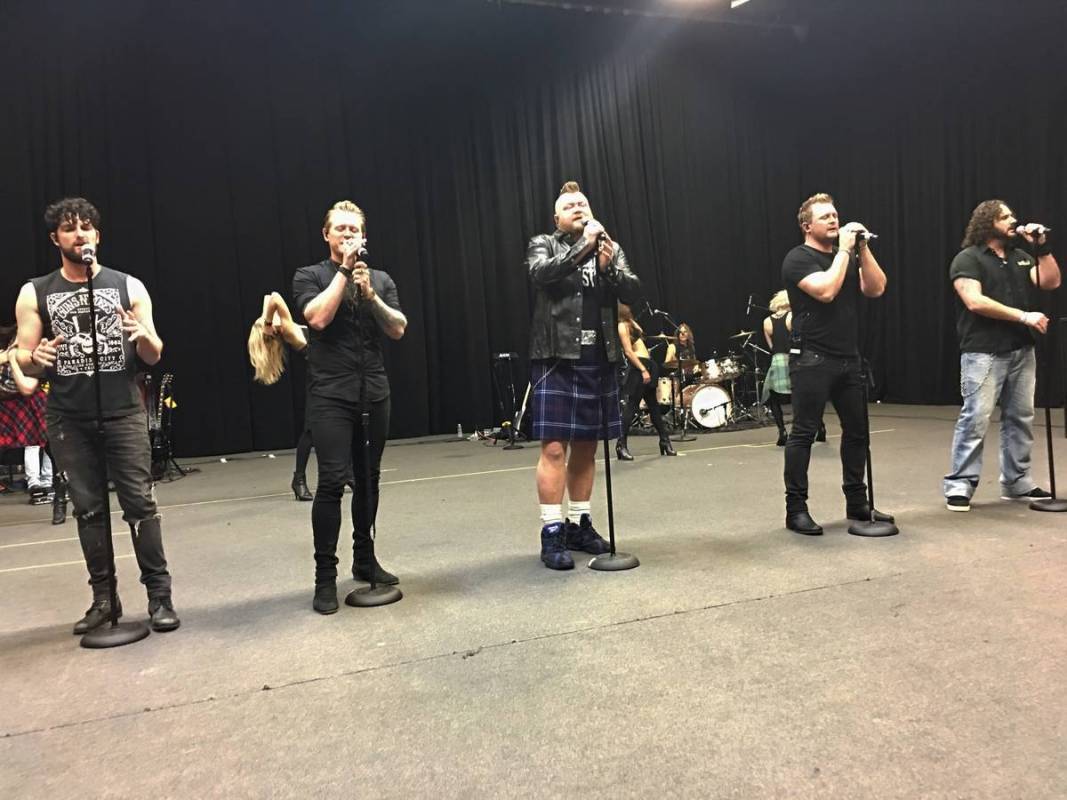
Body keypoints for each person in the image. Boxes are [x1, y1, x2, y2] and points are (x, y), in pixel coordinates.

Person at [13, 197, 179, 633]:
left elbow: (153, 353)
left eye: (86, 227)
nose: (80, 234)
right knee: (88, 510)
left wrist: (144, 336)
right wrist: (38, 357)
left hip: (123, 412)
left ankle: (160, 597)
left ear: (98, 235)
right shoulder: (36, 291)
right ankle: (104, 599)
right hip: (69, 416)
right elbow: (26, 359)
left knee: (140, 505)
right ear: (56, 239)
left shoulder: (129, 286)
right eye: (70, 229)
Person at [292, 200, 406, 614]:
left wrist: (372, 296)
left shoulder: (380, 279)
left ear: (364, 236)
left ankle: (364, 557)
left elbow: (397, 328)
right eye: (339, 229)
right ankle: (325, 576)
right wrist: (343, 271)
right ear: (326, 235)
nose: (346, 235)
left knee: (369, 479)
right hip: (330, 394)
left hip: (373, 391)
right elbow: (317, 319)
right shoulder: (310, 275)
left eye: (353, 230)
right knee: (331, 482)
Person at [526, 180, 641, 569]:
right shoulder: (544, 243)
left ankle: (579, 523)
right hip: (558, 357)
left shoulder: (611, 247)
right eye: (570, 205)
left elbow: (634, 290)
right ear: (557, 217)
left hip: (599, 356)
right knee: (555, 447)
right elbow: (542, 275)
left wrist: (608, 270)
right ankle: (552, 531)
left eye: (583, 203)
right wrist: (583, 248)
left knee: (589, 446)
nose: (578, 208)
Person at [780, 193, 894, 535]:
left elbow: (876, 288)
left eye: (836, 215)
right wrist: (845, 251)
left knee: (857, 433)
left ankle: (857, 503)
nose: (834, 220)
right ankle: (795, 510)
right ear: (807, 226)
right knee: (803, 433)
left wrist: (862, 249)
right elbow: (827, 291)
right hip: (812, 359)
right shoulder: (797, 258)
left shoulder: (848, 257)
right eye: (825, 216)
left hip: (849, 359)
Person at [943, 200, 1060, 511]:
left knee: (1021, 417)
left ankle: (1017, 481)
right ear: (987, 222)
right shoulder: (967, 259)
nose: (1014, 220)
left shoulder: (1021, 257)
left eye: (1012, 215)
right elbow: (975, 301)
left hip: (1022, 350)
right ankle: (960, 484)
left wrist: (1042, 248)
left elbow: (1051, 281)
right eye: (1005, 216)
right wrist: (1023, 316)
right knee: (976, 418)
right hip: (983, 351)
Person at [247, 291, 315, 501]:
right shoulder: (285, 327)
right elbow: (274, 298)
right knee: (312, 430)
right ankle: (299, 479)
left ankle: (342, 473)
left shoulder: (280, 326)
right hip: (323, 370)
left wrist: (266, 320)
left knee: (322, 429)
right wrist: (268, 322)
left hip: (326, 367)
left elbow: (267, 298)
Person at [761, 291, 825, 447]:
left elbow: (771, 346)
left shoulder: (766, 322)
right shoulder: (792, 317)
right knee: (805, 396)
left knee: (772, 398)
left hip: (776, 360)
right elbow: (800, 341)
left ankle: (782, 431)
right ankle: (819, 427)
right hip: (793, 360)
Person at [0, 324, 54, 504]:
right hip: (12, 403)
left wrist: (14, 360)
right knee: (32, 443)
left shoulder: (32, 356)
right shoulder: (7, 352)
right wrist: (8, 355)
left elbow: (28, 387)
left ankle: (47, 482)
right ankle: (34, 484)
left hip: (34, 401)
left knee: (46, 442)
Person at [615, 303, 676, 460]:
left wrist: (632, 320)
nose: (629, 307)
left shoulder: (629, 323)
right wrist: (642, 369)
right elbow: (628, 351)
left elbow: (641, 332)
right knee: (632, 406)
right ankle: (621, 445)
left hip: (648, 364)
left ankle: (665, 441)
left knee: (654, 406)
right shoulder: (621, 326)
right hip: (639, 367)